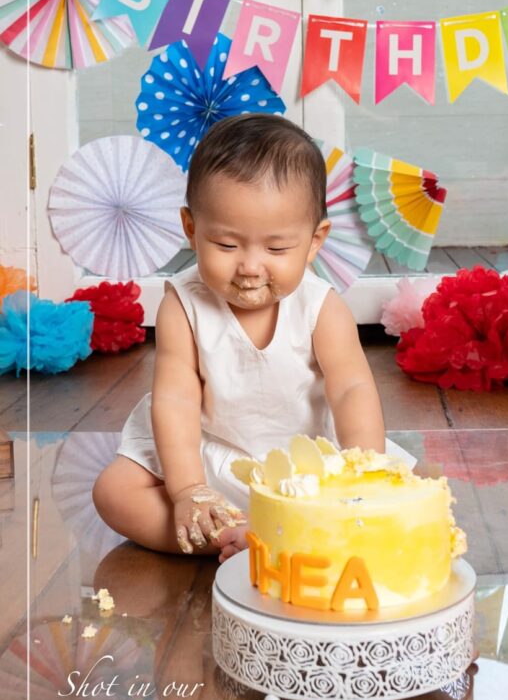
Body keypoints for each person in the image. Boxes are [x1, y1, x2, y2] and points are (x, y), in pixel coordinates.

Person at [93, 114, 388, 560]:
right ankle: (230, 536)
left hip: (299, 460)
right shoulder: (182, 304)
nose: (250, 266)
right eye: (227, 246)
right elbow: (174, 400)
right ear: (192, 230)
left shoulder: (321, 307)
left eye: (276, 249)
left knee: (383, 494)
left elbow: (351, 389)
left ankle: (285, 528)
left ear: (314, 241)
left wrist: (361, 476)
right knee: (114, 492)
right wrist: (189, 489)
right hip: (205, 451)